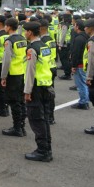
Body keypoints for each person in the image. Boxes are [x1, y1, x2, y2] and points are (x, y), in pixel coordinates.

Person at [22, 21, 55, 162]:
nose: (24, 33)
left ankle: (42, 151)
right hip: (46, 85)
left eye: (25, 31)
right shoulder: (44, 46)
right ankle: (47, 147)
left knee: (36, 119)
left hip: (36, 87)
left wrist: (27, 91)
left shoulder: (32, 49)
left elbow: (30, 71)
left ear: (30, 32)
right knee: (44, 118)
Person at [0, 17, 28, 137]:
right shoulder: (23, 38)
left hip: (13, 73)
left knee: (14, 101)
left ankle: (17, 128)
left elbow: (6, 60)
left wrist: (3, 76)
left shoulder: (9, 41)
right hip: (23, 72)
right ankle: (21, 126)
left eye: (5, 26)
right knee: (21, 101)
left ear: (9, 27)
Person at [69, 19, 90, 109]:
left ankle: (83, 102)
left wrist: (73, 65)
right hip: (85, 63)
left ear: (77, 27)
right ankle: (85, 100)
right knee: (84, 83)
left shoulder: (78, 38)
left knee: (81, 84)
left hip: (79, 64)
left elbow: (75, 53)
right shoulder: (87, 37)